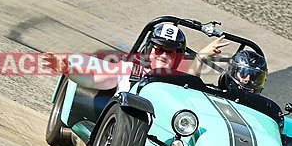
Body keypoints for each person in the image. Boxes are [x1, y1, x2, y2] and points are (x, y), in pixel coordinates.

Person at [45, 22, 229, 93]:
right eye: (159, 50)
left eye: (170, 52)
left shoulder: (178, 80)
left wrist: (201, 58)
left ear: (178, 57)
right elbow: (93, 79)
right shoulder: (129, 70)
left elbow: (191, 86)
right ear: (149, 50)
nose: (164, 55)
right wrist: (67, 69)